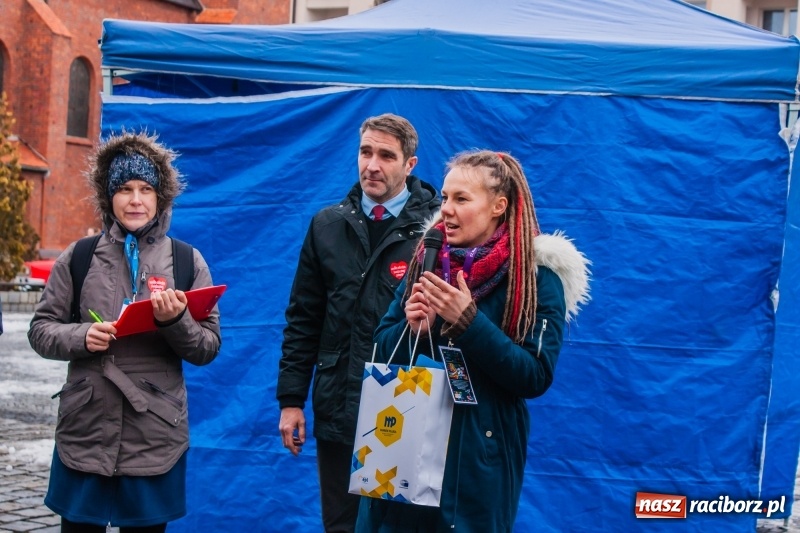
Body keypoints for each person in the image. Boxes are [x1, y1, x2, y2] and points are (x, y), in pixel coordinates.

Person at [355, 150, 591, 532]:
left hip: (478, 458)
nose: (445, 209)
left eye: (462, 199)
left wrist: (469, 324)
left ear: (499, 206)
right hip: (403, 442)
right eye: (445, 197)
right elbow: (382, 342)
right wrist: (414, 329)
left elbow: (534, 375)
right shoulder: (426, 259)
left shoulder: (536, 278)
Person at [27, 132, 222, 533]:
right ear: (108, 197)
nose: (135, 199)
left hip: (154, 432)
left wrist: (175, 321)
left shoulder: (187, 260)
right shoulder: (79, 256)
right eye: (125, 189)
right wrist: (82, 337)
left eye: (145, 189)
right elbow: (41, 330)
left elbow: (207, 348)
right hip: (86, 429)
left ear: (160, 197)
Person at [277, 113, 441, 532]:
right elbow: (303, 320)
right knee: (342, 526)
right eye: (366, 152)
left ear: (410, 165)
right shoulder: (327, 226)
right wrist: (291, 400)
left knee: (400, 527)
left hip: (407, 405)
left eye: (386, 155)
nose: (372, 164)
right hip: (339, 404)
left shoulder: (438, 230)